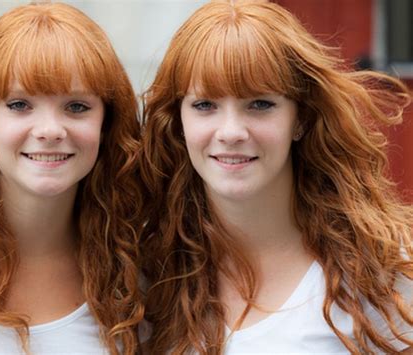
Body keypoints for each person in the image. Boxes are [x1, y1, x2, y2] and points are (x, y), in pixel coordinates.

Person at [140, 0, 413, 354]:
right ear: (177, 122)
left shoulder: (380, 270)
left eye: (260, 104)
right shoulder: (149, 270)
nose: (231, 132)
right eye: (205, 105)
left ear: (300, 119)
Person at [0, 2, 143, 354]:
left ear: (107, 124)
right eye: (19, 105)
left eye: (76, 107)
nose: (50, 130)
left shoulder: (137, 266)